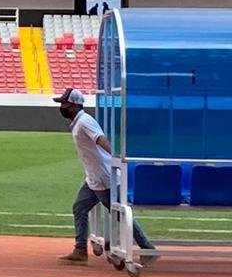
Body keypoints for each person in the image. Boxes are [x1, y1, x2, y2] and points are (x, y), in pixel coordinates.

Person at [53, 88, 157, 265]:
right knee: (79, 207)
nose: (62, 106)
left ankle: (147, 247)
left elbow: (100, 139)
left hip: (103, 178)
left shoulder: (84, 121)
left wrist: (115, 155)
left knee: (119, 214)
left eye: (65, 103)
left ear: (75, 105)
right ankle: (80, 250)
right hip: (93, 177)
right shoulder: (79, 122)